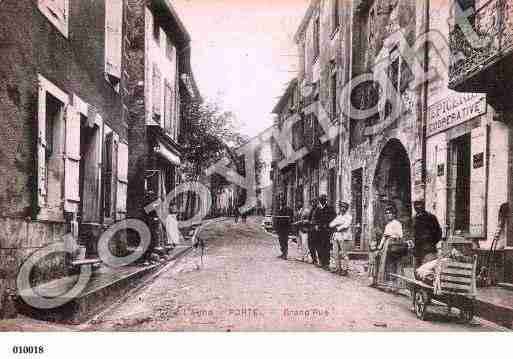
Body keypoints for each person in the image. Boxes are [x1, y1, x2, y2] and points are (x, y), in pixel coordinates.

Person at [373, 205, 410, 287]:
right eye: (387, 213)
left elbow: (400, 235)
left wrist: (391, 235)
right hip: (386, 244)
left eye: (390, 213)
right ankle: (386, 281)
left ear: (394, 214)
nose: (388, 215)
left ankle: (396, 282)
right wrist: (380, 247)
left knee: (394, 262)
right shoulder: (387, 225)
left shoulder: (397, 224)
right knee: (386, 263)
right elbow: (384, 236)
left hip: (394, 244)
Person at [413, 200, 442, 267]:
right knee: (417, 273)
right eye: (416, 206)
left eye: (420, 205)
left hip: (429, 250)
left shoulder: (431, 217)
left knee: (427, 271)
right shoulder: (414, 219)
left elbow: (438, 233)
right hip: (417, 251)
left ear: (424, 206)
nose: (418, 207)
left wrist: (431, 243)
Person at [312, 194, 336, 270]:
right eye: (321, 199)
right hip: (319, 231)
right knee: (319, 246)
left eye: (323, 199)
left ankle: (326, 263)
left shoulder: (330, 208)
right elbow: (314, 218)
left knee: (326, 246)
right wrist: (316, 225)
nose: (322, 201)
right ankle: (321, 261)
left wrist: (329, 226)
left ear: (325, 200)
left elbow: (333, 217)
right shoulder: (317, 209)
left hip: (326, 231)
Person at [330, 201, 352, 276]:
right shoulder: (338, 216)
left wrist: (338, 226)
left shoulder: (349, 216)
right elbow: (331, 224)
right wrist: (338, 224)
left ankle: (345, 269)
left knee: (344, 254)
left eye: (344, 207)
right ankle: (337, 268)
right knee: (335, 253)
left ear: (346, 208)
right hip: (336, 236)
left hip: (344, 236)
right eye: (341, 207)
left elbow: (346, 226)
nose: (342, 209)